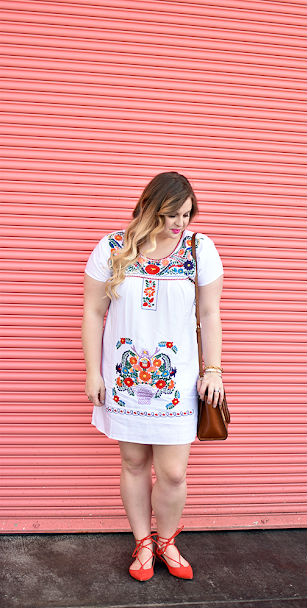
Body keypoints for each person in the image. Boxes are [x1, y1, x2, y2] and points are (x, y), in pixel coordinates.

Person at [81, 172, 224, 581]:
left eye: (186, 214)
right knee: (133, 460)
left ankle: (167, 541)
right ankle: (143, 542)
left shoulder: (199, 249)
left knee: (175, 471)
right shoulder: (112, 248)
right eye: (171, 215)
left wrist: (213, 369)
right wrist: (93, 372)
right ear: (148, 207)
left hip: (177, 382)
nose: (180, 223)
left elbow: (210, 313)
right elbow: (93, 312)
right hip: (124, 377)